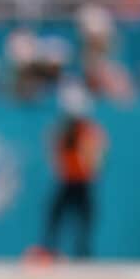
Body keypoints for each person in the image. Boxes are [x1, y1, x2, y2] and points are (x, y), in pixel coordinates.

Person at [40, 85, 107, 260]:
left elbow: (95, 157)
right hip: (68, 180)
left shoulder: (86, 130)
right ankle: (51, 250)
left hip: (82, 182)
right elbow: (53, 151)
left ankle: (82, 253)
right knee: (56, 217)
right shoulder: (63, 130)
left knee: (83, 221)